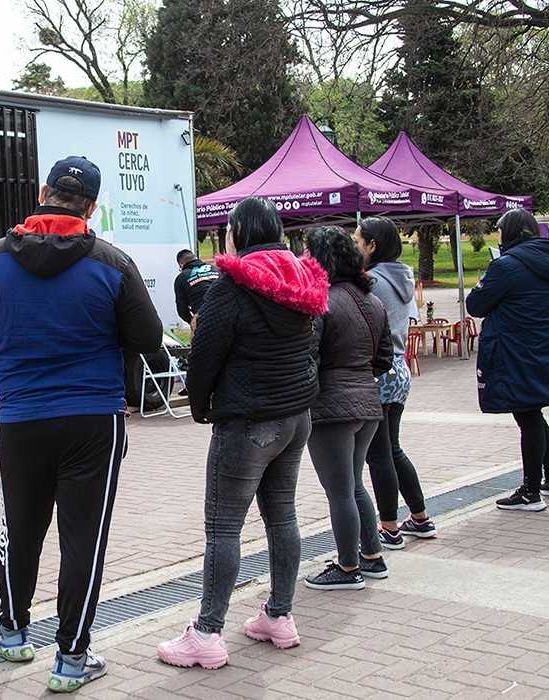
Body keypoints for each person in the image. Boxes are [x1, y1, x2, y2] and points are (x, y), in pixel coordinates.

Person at [0, 155, 162, 693]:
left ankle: (11, 631)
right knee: (83, 540)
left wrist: (12, 383)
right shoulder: (112, 263)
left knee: (20, 528)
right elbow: (148, 338)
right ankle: (71, 656)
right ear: (92, 207)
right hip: (93, 418)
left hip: (22, 417)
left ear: (43, 191)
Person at [155, 197, 328, 670]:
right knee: (283, 518)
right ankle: (280, 614)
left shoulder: (233, 284)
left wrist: (200, 406)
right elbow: (315, 341)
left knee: (223, 528)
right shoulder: (304, 276)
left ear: (239, 232)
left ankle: (207, 633)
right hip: (295, 417)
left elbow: (205, 353)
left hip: (248, 420)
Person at [467, 209, 549, 511]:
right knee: (534, 412)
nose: (498, 236)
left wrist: (483, 282)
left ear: (511, 232)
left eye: (500, 230)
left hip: (516, 350)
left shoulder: (506, 266)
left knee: (527, 415)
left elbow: (475, 304)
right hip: (544, 347)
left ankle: (531, 491)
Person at [303, 227, 393, 590]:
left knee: (340, 490)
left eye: (308, 252)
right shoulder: (372, 301)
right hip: (367, 403)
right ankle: (370, 555)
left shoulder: (322, 300)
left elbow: (308, 356)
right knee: (354, 485)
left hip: (331, 406)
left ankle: (347, 566)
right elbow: (383, 358)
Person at [353, 217, 436, 549]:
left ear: (372, 246)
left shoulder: (373, 281)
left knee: (379, 454)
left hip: (379, 371)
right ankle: (419, 516)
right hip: (399, 370)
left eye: (357, 241)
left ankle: (388, 526)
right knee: (392, 448)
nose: (353, 247)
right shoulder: (402, 276)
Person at [173, 249, 220, 331]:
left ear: (181, 264)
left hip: (205, 317)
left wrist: (191, 321)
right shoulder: (215, 269)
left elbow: (181, 309)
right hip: (227, 311)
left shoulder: (181, 278)